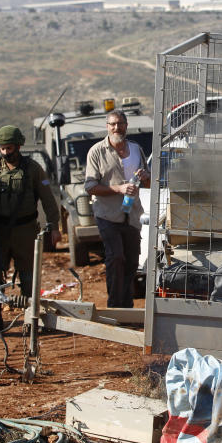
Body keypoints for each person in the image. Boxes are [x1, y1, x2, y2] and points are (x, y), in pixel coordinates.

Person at [0, 125, 61, 336]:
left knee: (29, 276)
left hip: (24, 230)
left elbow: (48, 200)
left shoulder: (33, 169)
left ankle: (31, 318)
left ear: (19, 146)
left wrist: (55, 227)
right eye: (2, 149)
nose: (5, 152)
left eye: (9, 148)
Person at [84, 110, 150, 308]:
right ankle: (114, 306)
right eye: (112, 124)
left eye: (120, 124)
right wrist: (118, 188)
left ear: (126, 125)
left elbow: (147, 182)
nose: (116, 128)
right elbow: (90, 187)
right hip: (107, 215)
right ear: (107, 126)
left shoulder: (136, 150)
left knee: (131, 261)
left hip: (132, 215)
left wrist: (146, 177)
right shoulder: (96, 152)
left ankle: (126, 305)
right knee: (116, 257)